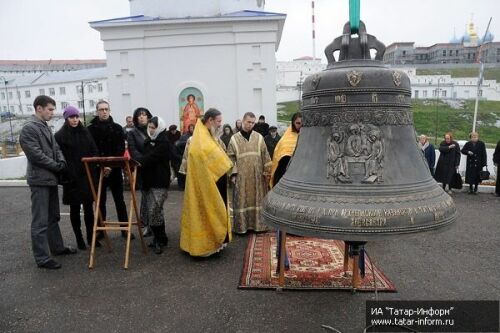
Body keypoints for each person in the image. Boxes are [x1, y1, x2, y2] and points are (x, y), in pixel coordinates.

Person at [19, 95, 76, 269]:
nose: (53, 113)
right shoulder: (29, 128)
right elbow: (36, 155)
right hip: (40, 180)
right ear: (39, 108)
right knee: (40, 221)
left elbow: (56, 148)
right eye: (50, 109)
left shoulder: (43, 126)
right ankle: (42, 258)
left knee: (53, 217)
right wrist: (57, 166)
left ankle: (57, 248)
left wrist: (61, 162)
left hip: (49, 178)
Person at [180, 108, 233, 257]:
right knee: (205, 212)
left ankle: (217, 242)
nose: (220, 125)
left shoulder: (209, 135)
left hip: (215, 181)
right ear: (210, 120)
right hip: (204, 184)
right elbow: (198, 158)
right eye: (218, 122)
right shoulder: (199, 139)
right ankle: (205, 246)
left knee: (214, 212)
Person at [55, 106, 98, 250]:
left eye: (76, 117)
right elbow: (59, 156)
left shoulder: (85, 132)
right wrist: (66, 173)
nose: (74, 120)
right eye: (71, 117)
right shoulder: (60, 136)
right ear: (66, 119)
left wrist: (92, 168)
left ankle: (91, 238)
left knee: (88, 209)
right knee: (74, 209)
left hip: (86, 175)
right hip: (71, 177)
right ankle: (79, 238)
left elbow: (94, 150)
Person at [88, 101, 133, 239]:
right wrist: (101, 165)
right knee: (100, 201)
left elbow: (121, 149)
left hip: (114, 169)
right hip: (98, 169)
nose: (104, 112)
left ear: (110, 110)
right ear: (96, 111)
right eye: (101, 109)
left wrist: (110, 165)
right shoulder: (90, 130)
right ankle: (100, 231)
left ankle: (125, 229)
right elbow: (91, 149)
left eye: (106, 109)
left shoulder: (118, 128)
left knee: (119, 200)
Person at [227, 112, 272, 234]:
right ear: (243, 121)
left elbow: (266, 156)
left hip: (257, 176)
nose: (250, 125)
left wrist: (267, 173)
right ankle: (242, 227)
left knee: (257, 199)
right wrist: (233, 174)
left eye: (253, 123)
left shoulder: (259, 137)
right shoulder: (234, 139)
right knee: (242, 200)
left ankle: (258, 226)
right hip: (241, 177)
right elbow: (230, 157)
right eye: (248, 122)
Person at [269, 112, 302, 273]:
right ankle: (286, 231)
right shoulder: (286, 140)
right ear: (292, 123)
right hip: (287, 179)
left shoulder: (309, 140)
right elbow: (279, 161)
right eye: (297, 123)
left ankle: (299, 229)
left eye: (303, 123)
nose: (300, 126)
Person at [136, 116, 173, 254]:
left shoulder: (164, 142)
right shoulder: (147, 141)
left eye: (154, 127)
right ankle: (160, 238)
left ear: (159, 128)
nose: (151, 130)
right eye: (150, 127)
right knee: (153, 211)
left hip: (159, 182)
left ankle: (159, 239)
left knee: (155, 210)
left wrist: (139, 162)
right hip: (148, 181)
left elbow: (152, 157)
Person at [127, 107, 153, 236]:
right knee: (146, 195)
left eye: (144, 114)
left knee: (156, 197)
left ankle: (154, 224)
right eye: (139, 115)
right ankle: (148, 224)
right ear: (136, 118)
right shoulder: (132, 133)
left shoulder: (153, 130)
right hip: (142, 168)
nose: (142, 117)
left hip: (155, 168)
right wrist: (144, 160)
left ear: (148, 117)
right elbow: (133, 151)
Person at [176, 123, 195, 190]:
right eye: (191, 128)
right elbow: (179, 144)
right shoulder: (185, 136)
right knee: (184, 173)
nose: (192, 129)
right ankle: (182, 186)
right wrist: (186, 142)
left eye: (193, 128)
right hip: (184, 155)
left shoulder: (197, 135)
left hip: (193, 157)